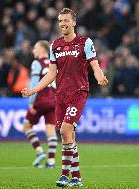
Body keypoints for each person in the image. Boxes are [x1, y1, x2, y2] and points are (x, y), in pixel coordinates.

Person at [22, 8, 108, 187]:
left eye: (66, 20)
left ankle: (63, 175)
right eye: (60, 21)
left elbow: (94, 64)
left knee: (64, 130)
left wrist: (100, 77)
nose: (63, 24)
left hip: (78, 93)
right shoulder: (55, 45)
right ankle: (76, 178)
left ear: (74, 22)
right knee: (68, 137)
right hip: (60, 95)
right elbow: (51, 74)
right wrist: (33, 90)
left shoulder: (85, 42)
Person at [22, 40, 57, 168]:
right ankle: (51, 162)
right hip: (53, 101)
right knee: (50, 131)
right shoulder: (54, 63)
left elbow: (35, 82)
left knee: (26, 126)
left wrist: (31, 101)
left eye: (35, 48)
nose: (33, 50)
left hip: (40, 101)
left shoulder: (37, 63)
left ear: (42, 49)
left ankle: (39, 152)